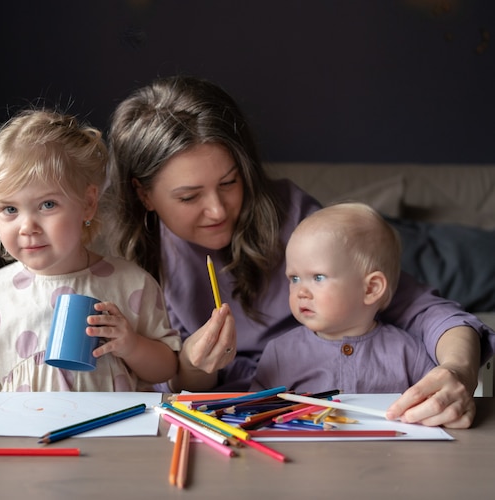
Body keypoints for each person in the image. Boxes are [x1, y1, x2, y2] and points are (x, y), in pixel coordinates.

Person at [103, 74, 495, 427]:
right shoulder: (136, 265)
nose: (218, 210)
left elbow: (424, 310)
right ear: (143, 194)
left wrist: (459, 371)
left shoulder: (290, 214)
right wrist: (192, 365)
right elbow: (175, 386)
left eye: (229, 182)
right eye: (189, 196)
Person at [0, 108, 180, 392]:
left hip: (110, 435)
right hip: (21, 436)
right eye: (10, 209)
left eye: (47, 205)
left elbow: (168, 369)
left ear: (88, 202)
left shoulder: (132, 284)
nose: (28, 226)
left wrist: (131, 346)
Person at [250, 202, 436, 393]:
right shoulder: (281, 353)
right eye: (295, 278)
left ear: (371, 289)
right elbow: (253, 412)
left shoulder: (408, 352)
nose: (301, 292)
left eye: (318, 277)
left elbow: (442, 399)